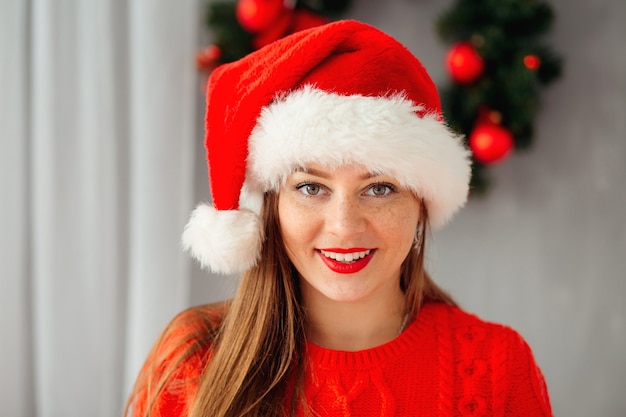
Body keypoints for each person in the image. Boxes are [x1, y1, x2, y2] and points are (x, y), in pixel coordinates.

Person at [125, 20, 553, 417]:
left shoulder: (498, 366)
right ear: (272, 206)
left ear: (421, 204)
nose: (344, 226)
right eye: (311, 188)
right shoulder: (192, 357)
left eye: (380, 188)